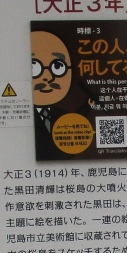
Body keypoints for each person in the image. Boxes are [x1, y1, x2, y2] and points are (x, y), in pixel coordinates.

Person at [31, 29, 98, 160]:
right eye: (35, 67)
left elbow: (71, 122)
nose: (48, 77)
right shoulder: (27, 115)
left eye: (57, 66)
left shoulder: (56, 113)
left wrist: (88, 105)